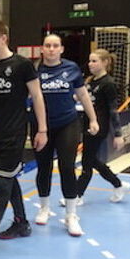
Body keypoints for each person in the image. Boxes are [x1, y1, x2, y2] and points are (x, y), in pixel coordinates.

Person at [0, 20, 48, 255]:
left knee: (3, 184)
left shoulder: (22, 65)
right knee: (9, 176)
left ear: (3, 38)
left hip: (15, 133)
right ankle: (21, 223)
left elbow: (37, 96)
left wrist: (42, 129)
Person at [35, 33, 99, 236]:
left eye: (55, 45)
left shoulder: (71, 68)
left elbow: (83, 95)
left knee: (67, 166)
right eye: (48, 45)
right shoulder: (35, 71)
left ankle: (71, 215)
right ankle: (44, 208)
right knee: (43, 167)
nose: (51, 49)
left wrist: (93, 119)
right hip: (42, 126)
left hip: (67, 124)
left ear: (61, 49)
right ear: (42, 49)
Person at [72, 49, 130, 204]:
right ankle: (118, 184)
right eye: (89, 61)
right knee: (92, 160)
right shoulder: (90, 80)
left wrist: (118, 134)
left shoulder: (108, 83)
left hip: (99, 126)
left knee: (87, 162)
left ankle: (77, 195)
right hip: (87, 124)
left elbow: (113, 110)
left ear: (105, 62)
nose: (90, 64)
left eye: (94, 61)